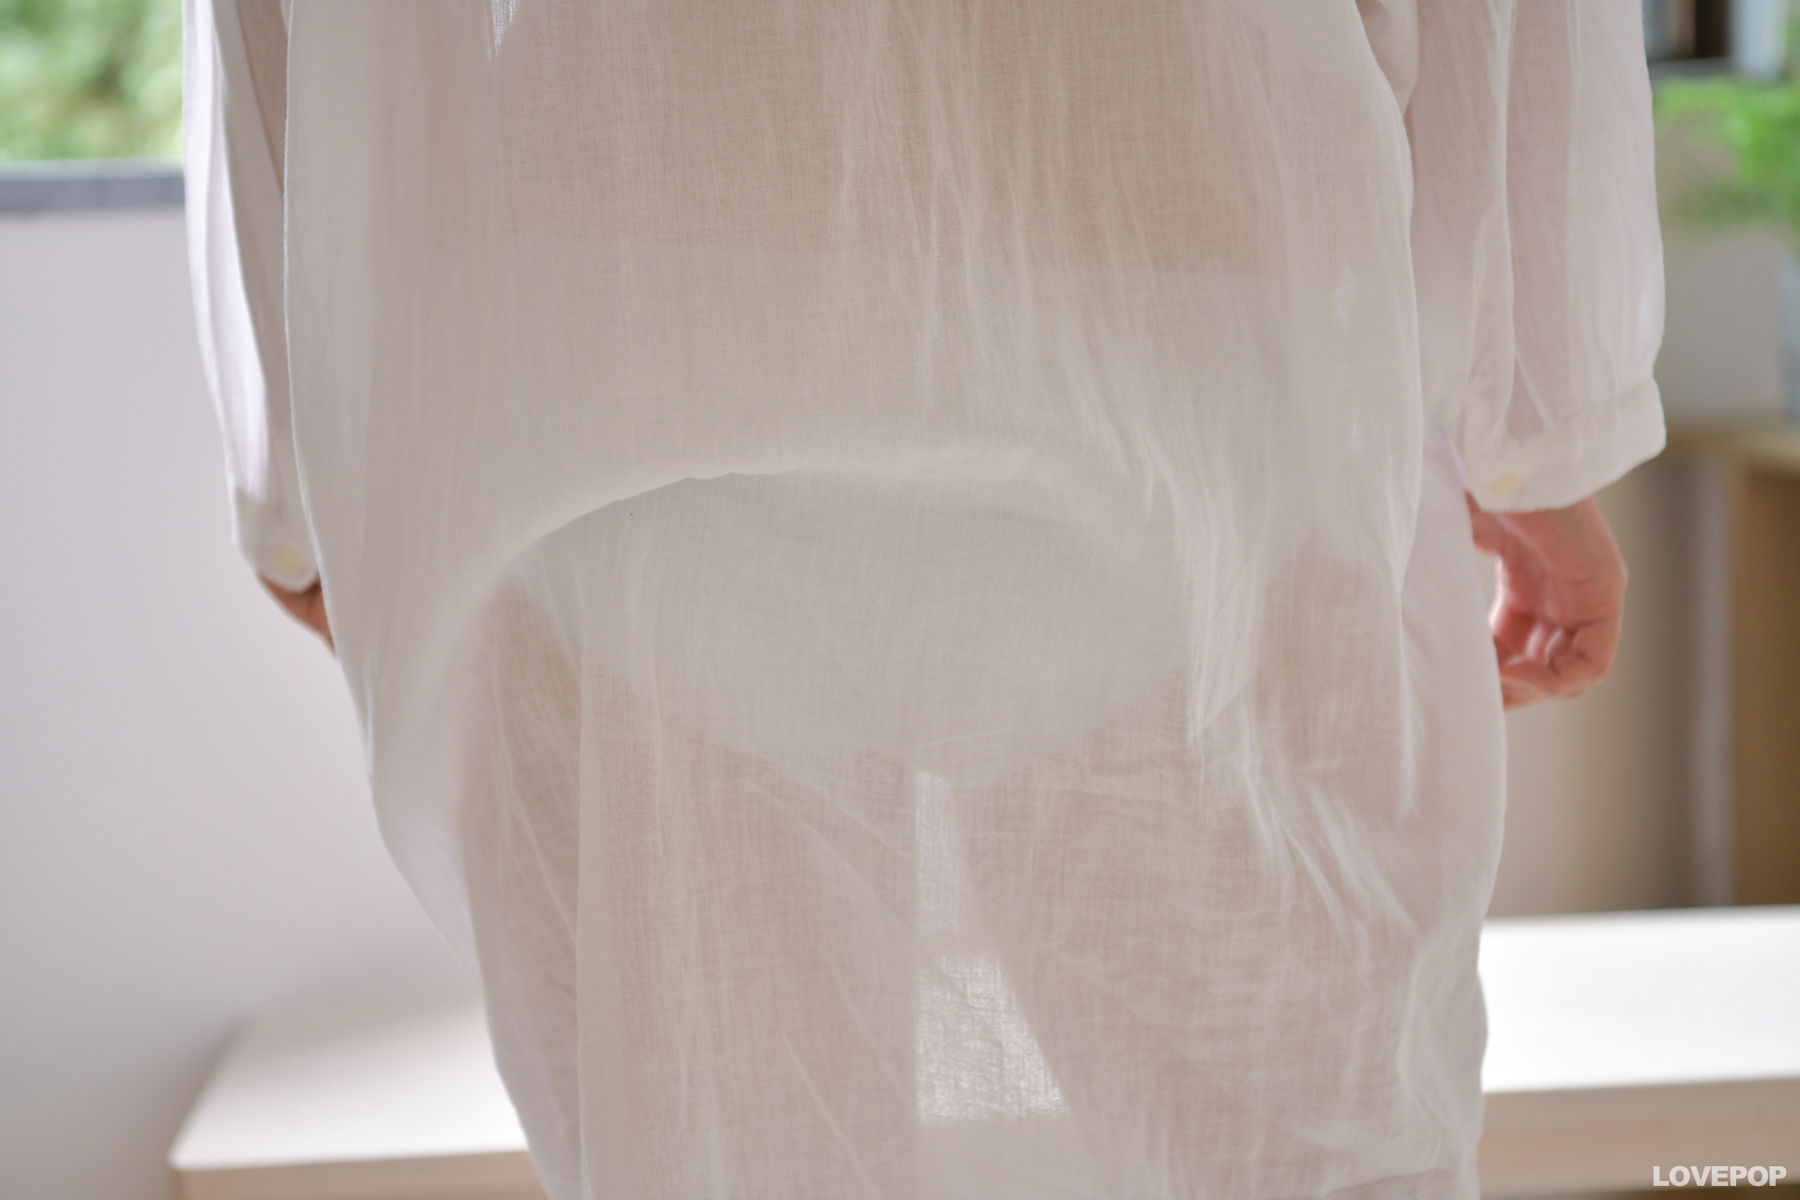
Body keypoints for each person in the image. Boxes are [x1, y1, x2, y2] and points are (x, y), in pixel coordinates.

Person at [182, 3, 1664, 1197]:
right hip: (1183, 280)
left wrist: (303, 463)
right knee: (1287, 1136)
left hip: (614, 319)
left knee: (719, 1153)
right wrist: (1539, 420)